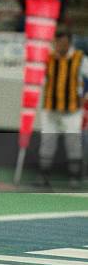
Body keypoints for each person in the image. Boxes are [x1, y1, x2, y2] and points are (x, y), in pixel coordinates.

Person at [39, 32, 88, 188]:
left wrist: (85, 96)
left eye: (64, 43)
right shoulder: (47, 58)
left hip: (72, 110)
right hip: (50, 108)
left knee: (73, 143)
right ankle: (44, 177)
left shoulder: (80, 58)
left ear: (70, 43)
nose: (61, 46)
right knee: (47, 142)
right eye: (58, 43)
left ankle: (74, 178)